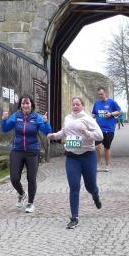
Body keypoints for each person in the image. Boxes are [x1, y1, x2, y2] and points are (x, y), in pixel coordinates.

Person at [47, 97, 104, 229]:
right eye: (73, 104)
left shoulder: (88, 119)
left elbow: (100, 136)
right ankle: (74, 217)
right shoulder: (68, 118)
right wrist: (54, 135)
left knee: (90, 186)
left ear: (82, 106)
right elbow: (64, 132)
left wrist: (86, 132)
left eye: (78, 104)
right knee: (74, 187)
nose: (75, 107)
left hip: (88, 156)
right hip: (72, 157)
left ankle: (95, 195)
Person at [1, 95, 52, 213]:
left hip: (32, 151)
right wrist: (4, 120)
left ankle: (30, 203)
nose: (25, 105)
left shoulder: (37, 117)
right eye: (23, 103)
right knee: (14, 178)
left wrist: (46, 122)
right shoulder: (16, 116)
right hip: (17, 150)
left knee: (31, 178)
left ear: (31, 105)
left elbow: (47, 132)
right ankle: (22, 193)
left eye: (27, 103)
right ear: (20, 105)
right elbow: (5, 129)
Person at [91, 87, 121, 172]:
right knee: (98, 146)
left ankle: (107, 165)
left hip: (109, 129)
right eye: (99, 95)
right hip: (98, 129)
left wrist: (111, 114)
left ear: (105, 94)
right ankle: (99, 163)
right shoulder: (97, 103)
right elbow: (94, 113)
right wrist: (93, 115)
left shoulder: (112, 102)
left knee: (107, 148)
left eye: (101, 94)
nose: (100, 96)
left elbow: (119, 111)